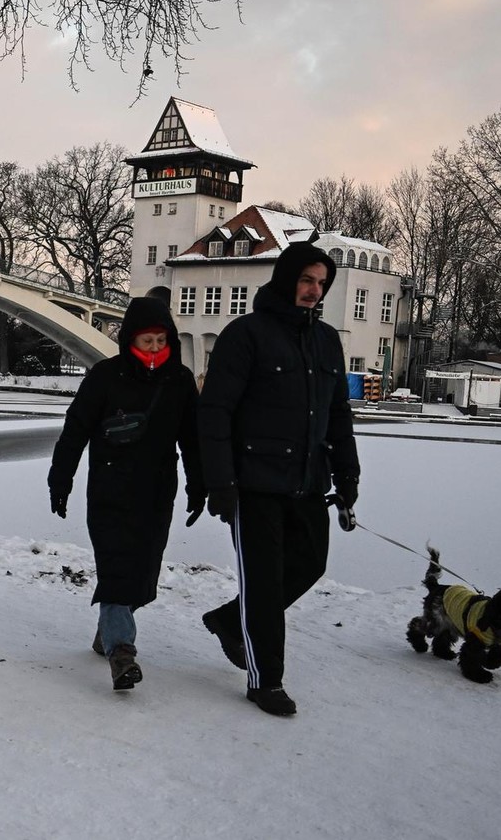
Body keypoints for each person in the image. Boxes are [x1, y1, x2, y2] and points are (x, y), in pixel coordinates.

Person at [196, 239, 360, 716]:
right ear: (286, 279)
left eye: (321, 284)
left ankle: (232, 619)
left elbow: (338, 416)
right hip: (253, 484)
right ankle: (265, 680)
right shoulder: (244, 334)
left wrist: (347, 475)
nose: (313, 291)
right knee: (264, 583)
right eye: (307, 280)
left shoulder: (327, 340)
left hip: (309, 480)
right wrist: (220, 482)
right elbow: (216, 411)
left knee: (310, 563)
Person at [48, 297, 205, 691]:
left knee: (143, 574)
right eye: (146, 341)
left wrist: (198, 484)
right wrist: (60, 479)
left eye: (159, 340)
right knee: (117, 568)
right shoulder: (105, 376)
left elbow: (193, 440)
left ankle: (108, 629)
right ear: (128, 340)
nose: (154, 349)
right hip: (109, 491)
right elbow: (75, 430)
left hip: (156, 494)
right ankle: (122, 651)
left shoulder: (180, 381)